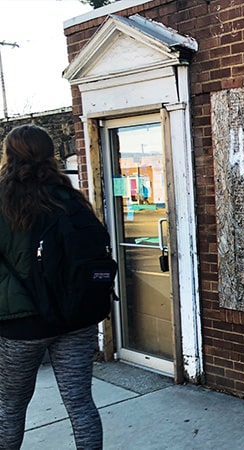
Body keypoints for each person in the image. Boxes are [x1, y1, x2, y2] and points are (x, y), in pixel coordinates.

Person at [0, 125, 102, 449]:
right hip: (76, 317)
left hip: (22, 324)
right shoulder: (70, 198)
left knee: (10, 408)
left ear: (9, 156)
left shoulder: (3, 202)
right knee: (80, 404)